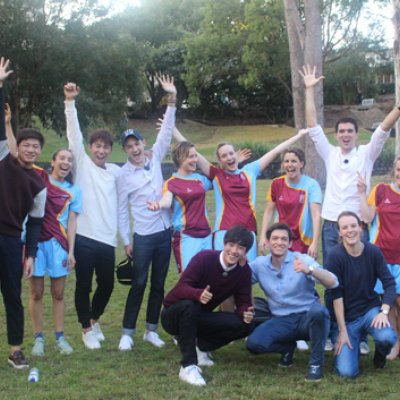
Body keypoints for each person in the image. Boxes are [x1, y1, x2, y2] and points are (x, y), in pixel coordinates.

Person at [301, 64, 400, 354]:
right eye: (341, 131)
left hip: (358, 226)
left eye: (350, 131)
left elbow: (384, 128)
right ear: (336, 135)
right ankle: (334, 333)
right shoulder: (329, 153)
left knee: (363, 281)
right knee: (333, 282)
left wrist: (397, 107)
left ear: (357, 134)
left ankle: (366, 334)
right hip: (332, 226)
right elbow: (312, 125)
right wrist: (309, 90)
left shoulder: (366, 155)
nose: (345, 135)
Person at [117, 75, 177, 351]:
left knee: (158, 284)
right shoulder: (123, 175)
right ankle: (127, 332)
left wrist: (171, 99)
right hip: (142, 237)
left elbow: (166, 133)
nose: (135, 149)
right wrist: (127, 240)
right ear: (125, 150)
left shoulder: (154, 158)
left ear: (143, 143)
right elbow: (121, 209)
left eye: (137, 144)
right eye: (129, 147)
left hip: (165, 233)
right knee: (138, 283)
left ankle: (151, 330)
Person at [64, 82, 121, 349]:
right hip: (85, 235)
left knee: (107, 285)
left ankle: (93, 319)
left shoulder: (114, 171)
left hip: (107, 239)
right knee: (84, 285)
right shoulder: (83, 164)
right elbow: (73, 136)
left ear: (110, 149)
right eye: (97, 146)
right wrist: (70, 102)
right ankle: (86, 328)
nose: (101, 150)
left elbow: (137, 171)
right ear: (91, 147)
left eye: (105, 147)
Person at [161, 226, 255, 386]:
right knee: (191, 305)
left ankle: (201, 347)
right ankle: (188, 366)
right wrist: (197, 294)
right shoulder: (204, 258)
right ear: (224, 244)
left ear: (245, 252)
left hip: (200, 318)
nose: (234, 250)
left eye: (240, 247)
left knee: (246, 325)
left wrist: (245, 312)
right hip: (173, 316)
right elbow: (174, 294)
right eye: (231, 245)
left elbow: (244, 301)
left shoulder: (244, 271)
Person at [0, 57, 47, 368]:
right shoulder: (4, 159)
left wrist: (30, 254)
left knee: (12, 297)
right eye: (26, 144)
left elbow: (36, 224)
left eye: (35, 147)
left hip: (10, 240)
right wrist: (0, 85)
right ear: (18, 146)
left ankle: (15, 348)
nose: (30, 149)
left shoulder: (39, 183)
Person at [246, 223, 337, 382]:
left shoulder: (302, 259)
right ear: (267, 242)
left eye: (283, 239)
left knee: (319, 312)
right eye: (274, 238)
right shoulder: (260, 264)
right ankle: (287, 348)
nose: (279, 242)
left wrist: (310, 270)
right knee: (254, 344)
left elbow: (333, 282)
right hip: (281, 320)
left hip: (307, 318)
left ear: (289, 243)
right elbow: (240, 280)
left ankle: (316, 364)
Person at [326, 211, 397, 378]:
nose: (350, 230)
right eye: (345, 227)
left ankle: (380, 353)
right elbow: (333, 296)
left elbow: (389, 284)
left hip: (369, 312)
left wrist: (384, 312)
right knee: (346, 372)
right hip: (346, 318)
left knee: (386, 337)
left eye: (353, 226)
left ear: (360, 228)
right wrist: (341, 330)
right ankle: (353, 344)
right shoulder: (335, 256)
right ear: (339, 232)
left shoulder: (373, 251)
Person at [148, 141, 212, 272]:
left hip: (206, 235)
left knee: (208, 277)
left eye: (195, 156)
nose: (195, 160)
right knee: (188, 278)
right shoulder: (171, 183)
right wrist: (158, 205)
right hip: (186, 236)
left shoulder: (200, 179)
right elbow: (166, 200)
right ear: (180, 159)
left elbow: (220, 179)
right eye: (191, 157)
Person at [358, 158, 400, 359]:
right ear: (394, 171)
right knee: (389, 301)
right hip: (382, 257)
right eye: (399, 169)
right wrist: (361, 193)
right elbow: (367, 217)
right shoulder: (381, 190)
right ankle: (395, 343)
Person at [259, 147, 322, 258]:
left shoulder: (312, 185)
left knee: (300, 272)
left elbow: (316, 216)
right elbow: (268, 212)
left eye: (294, 161)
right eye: (286, 161)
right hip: (281, 238)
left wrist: (314, 243)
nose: (289, 165)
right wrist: (263, 236)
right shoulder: (276, 184)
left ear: (301, 164)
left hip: (302, 239)